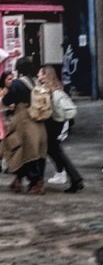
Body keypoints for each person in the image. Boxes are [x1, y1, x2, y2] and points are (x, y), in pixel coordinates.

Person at [0, 57, 48, 194]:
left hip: (24, 121)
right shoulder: (37, 83)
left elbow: (7, 100)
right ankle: (19, 180)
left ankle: (36, 183)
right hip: (39, 121)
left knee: (20, 149)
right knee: (37, 152)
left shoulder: (17, 84)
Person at [38, 65, 83, 193]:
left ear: (46, 75)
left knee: (52, 151)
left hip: (52, 123)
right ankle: (74, 178)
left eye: (40, 74)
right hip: (58, 123)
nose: (38, 76)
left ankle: (75, 178)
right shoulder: (57, 88)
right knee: (54, 151)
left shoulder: (49, 90)